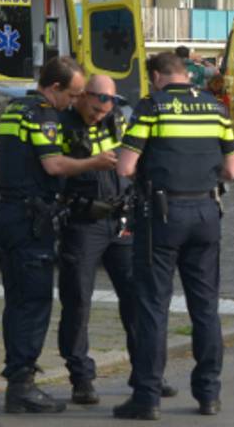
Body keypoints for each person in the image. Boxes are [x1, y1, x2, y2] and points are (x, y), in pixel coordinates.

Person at [113, 52, 234, 420]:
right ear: (186, 75)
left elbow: (125, 166)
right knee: (205, 307)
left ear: (156, 76)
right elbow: (231, 170)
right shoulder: (216, 109)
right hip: (206, 212)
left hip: (163, 216)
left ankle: (147, 397)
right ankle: (209, 394)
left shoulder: (152, 107)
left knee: (153, 306)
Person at [57, 75, 179, 406]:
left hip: (121, 221)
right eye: (95, 108)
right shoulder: (62, 124)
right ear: (82, 97)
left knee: (138, 298)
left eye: (105, 108)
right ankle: (81, 377)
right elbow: (52, 168)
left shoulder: (118, 120)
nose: (99, 114)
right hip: (83, 223)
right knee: (78, 300)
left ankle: (146, 373)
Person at [0, 56, 99, 414]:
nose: (73, 102)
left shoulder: (13, 109)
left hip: (8, 211)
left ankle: (17, 379)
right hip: (30, 217)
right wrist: (94, 163)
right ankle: (22, 386)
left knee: (16, 300)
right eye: (71, 94)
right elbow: (53, 164)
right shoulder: (42, 113)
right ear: (54, 88)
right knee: (35, 302)